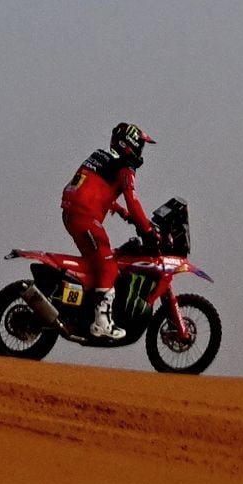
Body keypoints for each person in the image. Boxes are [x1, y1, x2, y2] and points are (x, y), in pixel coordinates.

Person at [54, 121, 161, 343]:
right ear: (129, 144)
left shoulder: (101, 156)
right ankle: (101, 324)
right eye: (140, 145)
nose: (141, 151)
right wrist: (148, 230)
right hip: (85, 218)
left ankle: (78, 307)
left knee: (95, 265)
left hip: (73, 213)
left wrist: (121, 212)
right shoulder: (125, 167)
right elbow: (133, 199)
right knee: (108, 266)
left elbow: (94, 188)